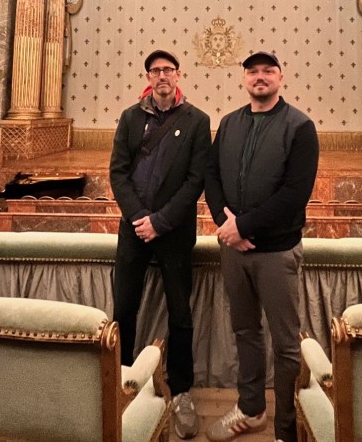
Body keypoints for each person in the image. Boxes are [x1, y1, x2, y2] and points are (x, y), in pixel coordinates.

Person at [204, 51, 319, 442]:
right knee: (245, 331)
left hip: (276, 253)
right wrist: (226, 226)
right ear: (244, 79)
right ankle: (251, 410)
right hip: (233, 250)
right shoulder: (229, 123)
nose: (259, 76)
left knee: (286, 345)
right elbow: (212, 177)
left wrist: (242, 226)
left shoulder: (300, 126)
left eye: (268, 70)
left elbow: (294, 194)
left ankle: (286, 428)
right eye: (252, 71)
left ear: (280, 77)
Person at [110, 49, 211, 439]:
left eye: (168, 69)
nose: (162, 75)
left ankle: (181, 392)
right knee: (124, 309)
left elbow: (195, 180)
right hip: (134, 231)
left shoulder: (197, 120)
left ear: (179, 75)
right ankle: (121, 383)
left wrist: (160, 222)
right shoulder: (130, 118)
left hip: (174, 233)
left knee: (180, 314)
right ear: (148, 77)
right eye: (156, 70)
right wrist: (140, 218)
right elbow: (118, 173)